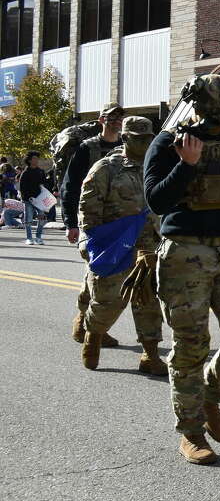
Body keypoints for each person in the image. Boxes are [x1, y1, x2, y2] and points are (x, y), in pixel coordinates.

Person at [144, 74, 220, 465]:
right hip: (184, 253)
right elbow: (157, 200)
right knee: (191, 345)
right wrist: (187, 165)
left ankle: (211, 396)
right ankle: (191, 431)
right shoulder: (169, 142)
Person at [77, 117, 167, 374]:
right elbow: (88, 208)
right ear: (125, 138)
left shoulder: (155, 166)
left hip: (149, 245)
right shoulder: (106, 168)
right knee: (107, 300)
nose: (144, 143)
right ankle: (93, 336)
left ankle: (150, 355)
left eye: (147, 138)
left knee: (148, 301)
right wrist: (89, 239)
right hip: (115, 245)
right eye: (138, 138)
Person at [64, 104, 126, 343]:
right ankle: (88, 325)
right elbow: (70, 187)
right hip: (93, 218)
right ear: (101, 119)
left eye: (120, 118)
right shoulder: (87, 148)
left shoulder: (126, 148)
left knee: (108, 274)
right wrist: (71, 223)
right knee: (97, 271)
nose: (116, 122)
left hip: (120, 221)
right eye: (112, 118)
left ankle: (89, 325)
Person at [19, 151, 48, 245]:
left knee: (42, 218)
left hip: (40, 199)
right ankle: (29, 238)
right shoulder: (25, 173)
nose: (36, 160)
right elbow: (22, 188)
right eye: (34, 158)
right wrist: (27, 198)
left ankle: (38, 237)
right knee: (28, 219)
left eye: (37, 158)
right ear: (29, 160)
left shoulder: (41, 171)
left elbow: (44, 184)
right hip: (28, 200)